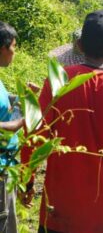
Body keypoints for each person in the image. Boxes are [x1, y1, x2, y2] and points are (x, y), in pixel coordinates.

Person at [21, 10, 103, 232]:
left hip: (60, 214)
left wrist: (27, 182)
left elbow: (33, 137)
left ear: (79, 46)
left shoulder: (57, 83)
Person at [0, 22, 24, 233]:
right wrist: (19, 123)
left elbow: (3, 101)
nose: (14, 52)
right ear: (3, 48)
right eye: (14, 46)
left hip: (7, 165)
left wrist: (20, 98)